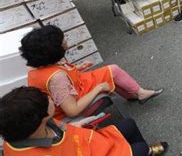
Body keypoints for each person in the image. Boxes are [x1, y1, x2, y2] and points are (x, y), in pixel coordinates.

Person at [22, 25, 163, 120]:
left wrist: (77, 68)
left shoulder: (34, 67)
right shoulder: (56, 78)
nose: (66, 40)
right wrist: (99, 88)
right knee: (112, 71)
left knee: (111, 71)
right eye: (62, 39)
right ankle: (139, 94)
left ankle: (134, 94)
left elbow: (58, 78)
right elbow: (72, 111)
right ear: (53, 50)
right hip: (76, 105)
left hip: (77, 89)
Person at [0, 86, 168, 156]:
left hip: (89, 145)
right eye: (48, 101)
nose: (51, 100)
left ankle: (137, 153)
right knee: (139, 148)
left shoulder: (25, 128)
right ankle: (141, 154)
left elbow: (63, 130)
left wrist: (78, 124)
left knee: (129, 125)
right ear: (39, 119)